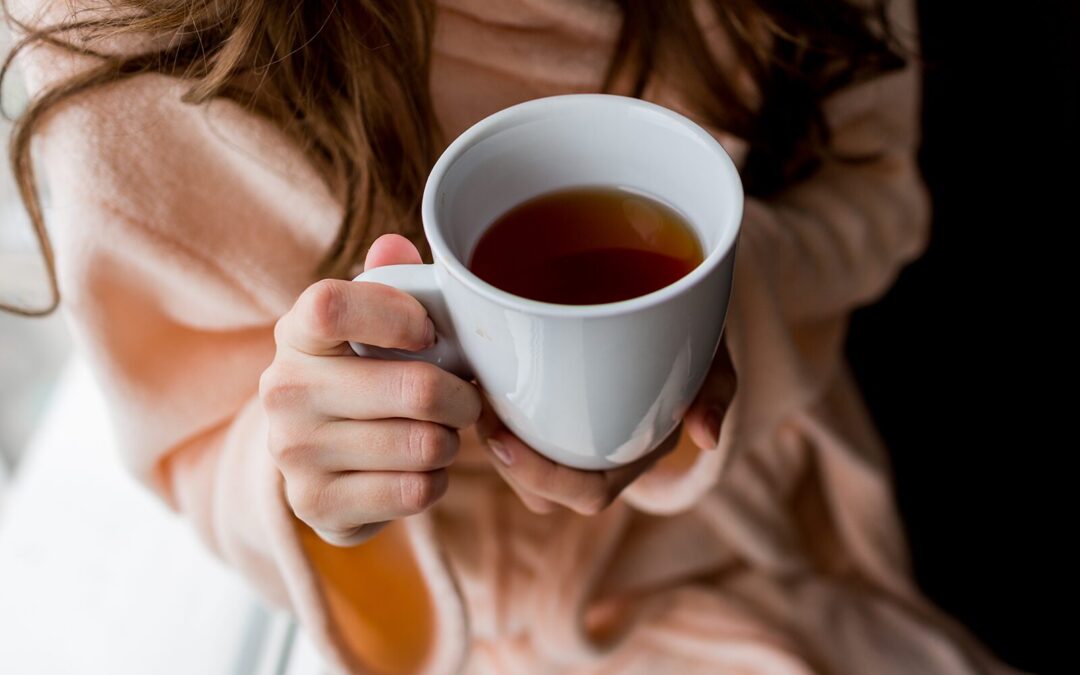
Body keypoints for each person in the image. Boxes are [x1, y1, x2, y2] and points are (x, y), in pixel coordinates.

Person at [2, 0, 1015, 672]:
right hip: (461, 623)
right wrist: (318, 477)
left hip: (764, 529)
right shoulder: (121, 43)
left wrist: (701, 325)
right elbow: (190, 433)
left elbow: (878, 199)